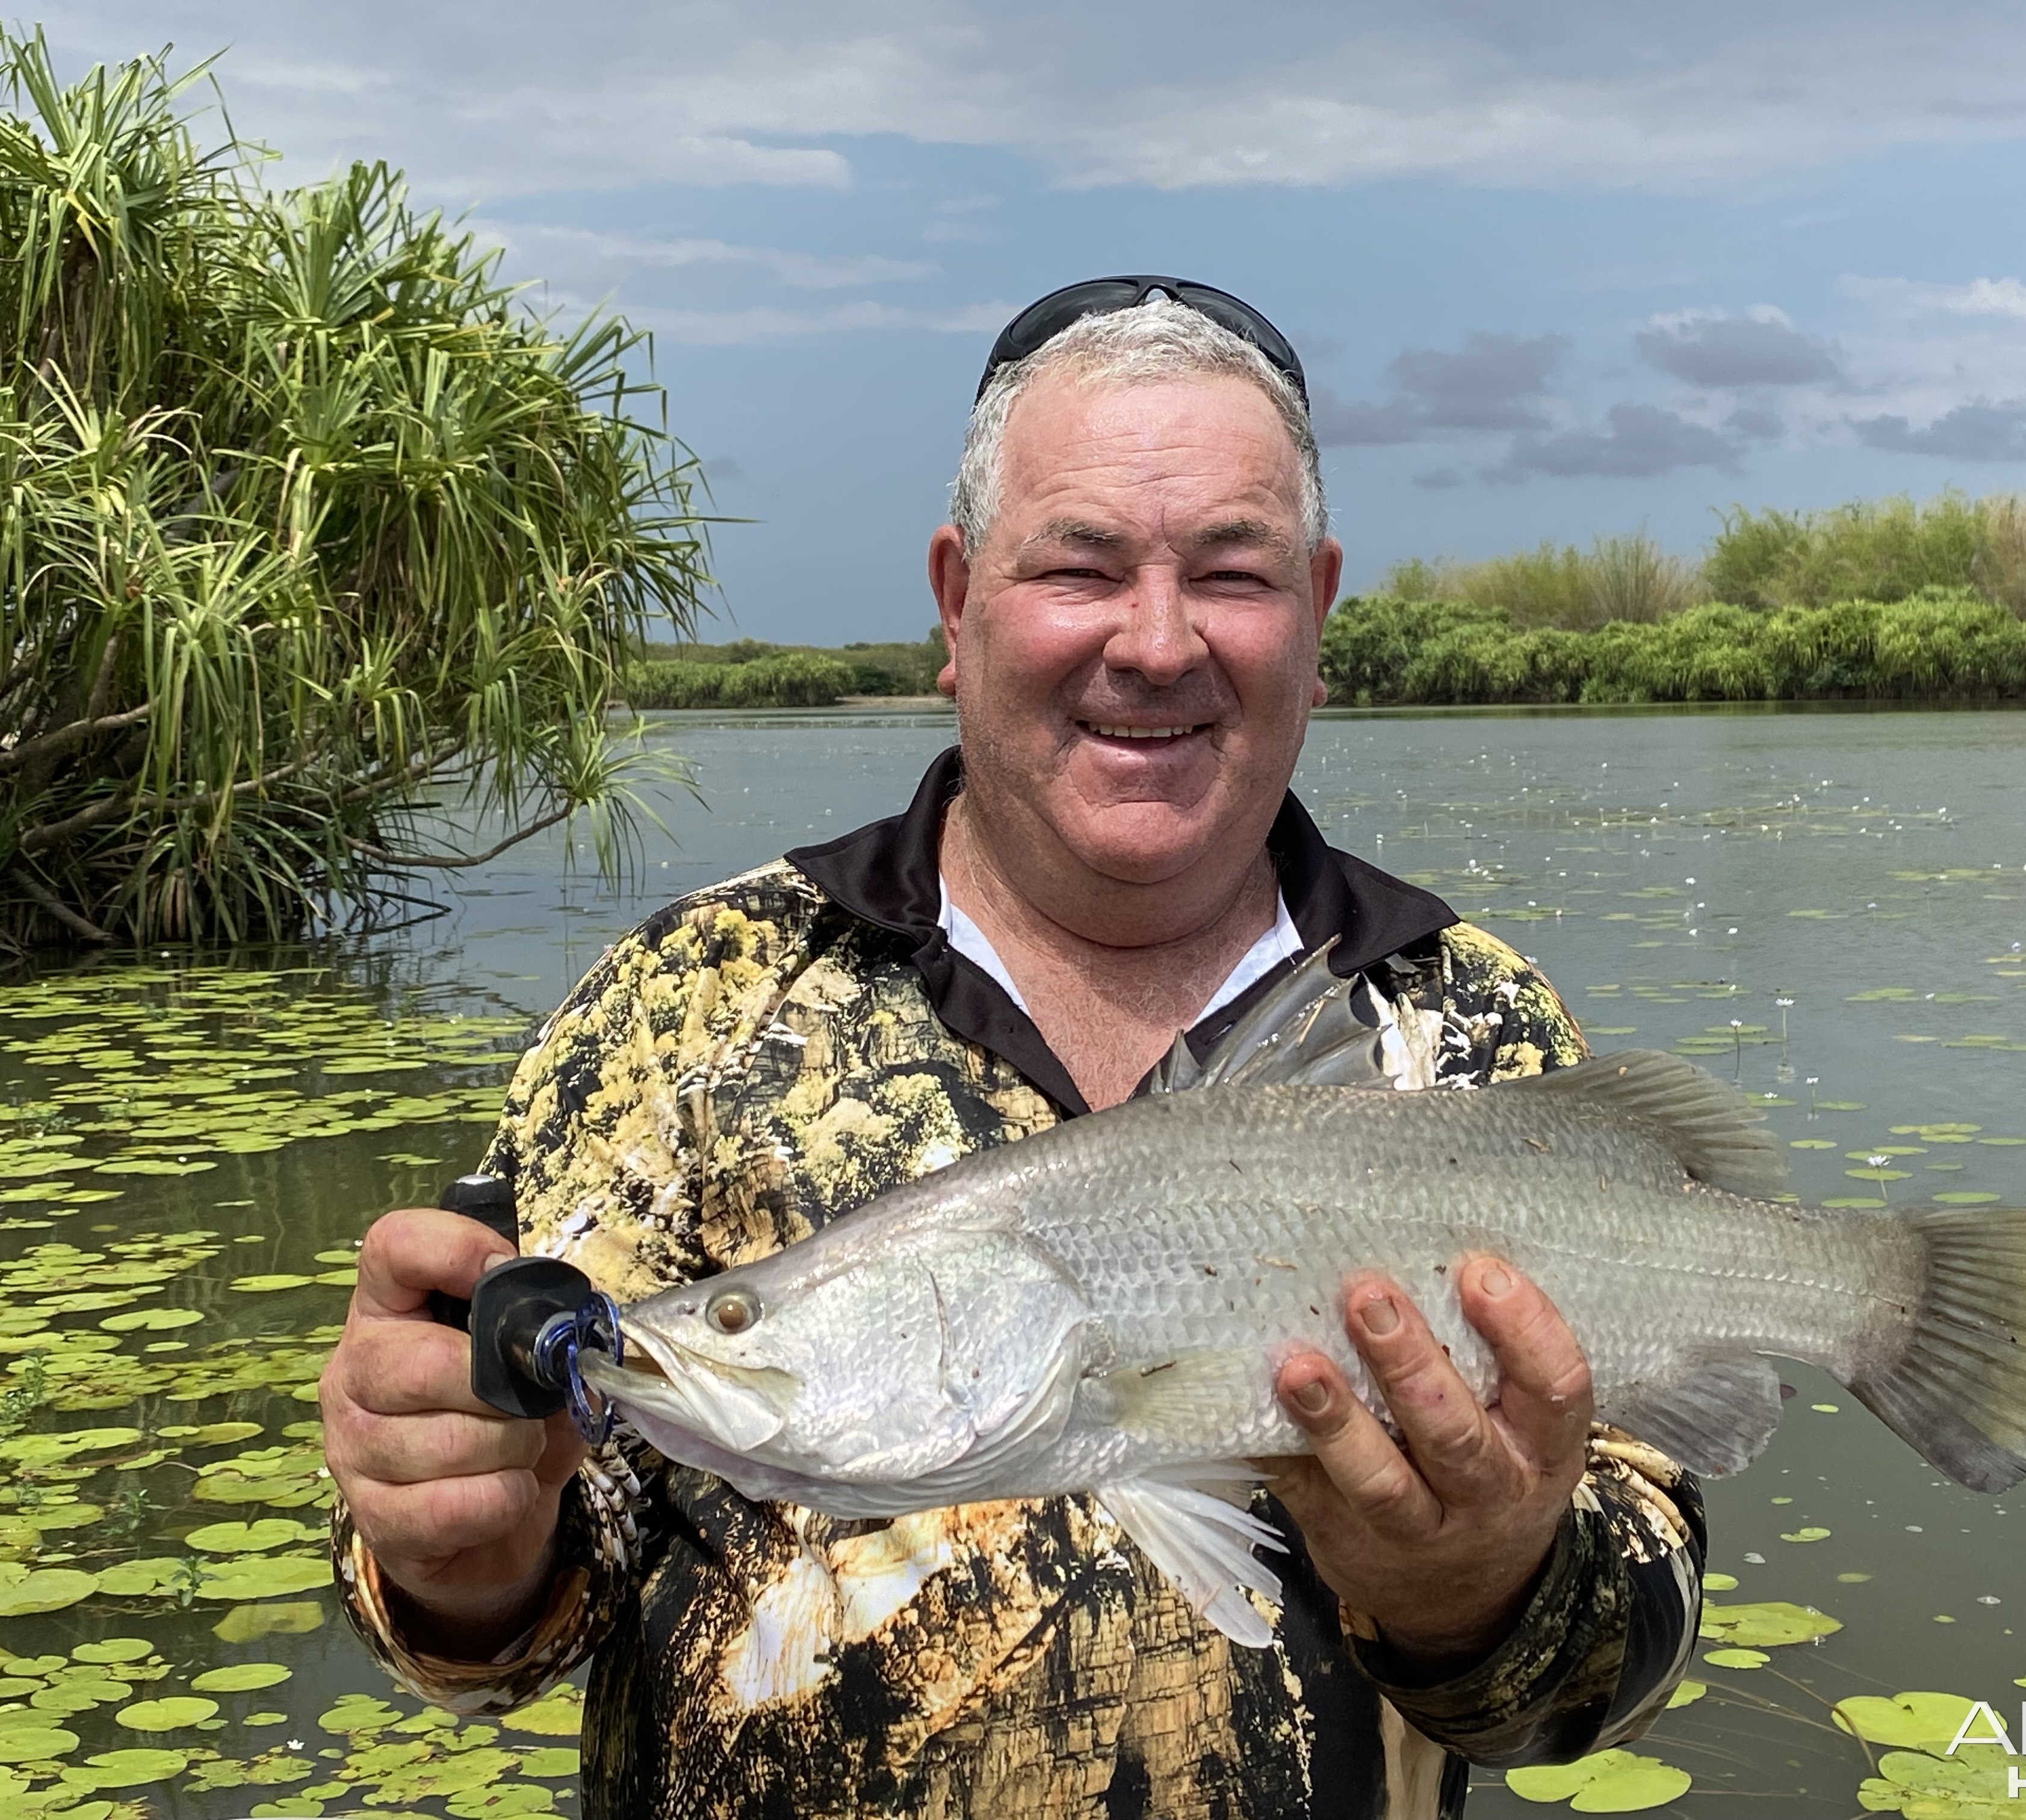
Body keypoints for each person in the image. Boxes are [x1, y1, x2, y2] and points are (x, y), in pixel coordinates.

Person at [320, 277, 1705, 1820]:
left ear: (1316, 615)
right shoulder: (689, 999)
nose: (1160, 642)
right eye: (1082, 565)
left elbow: (1615, 1661)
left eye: (1233, 574)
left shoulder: (1472, 1020)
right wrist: (462, 1549)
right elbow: (503, 1626)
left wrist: (1483, 1588)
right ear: (958, 600)